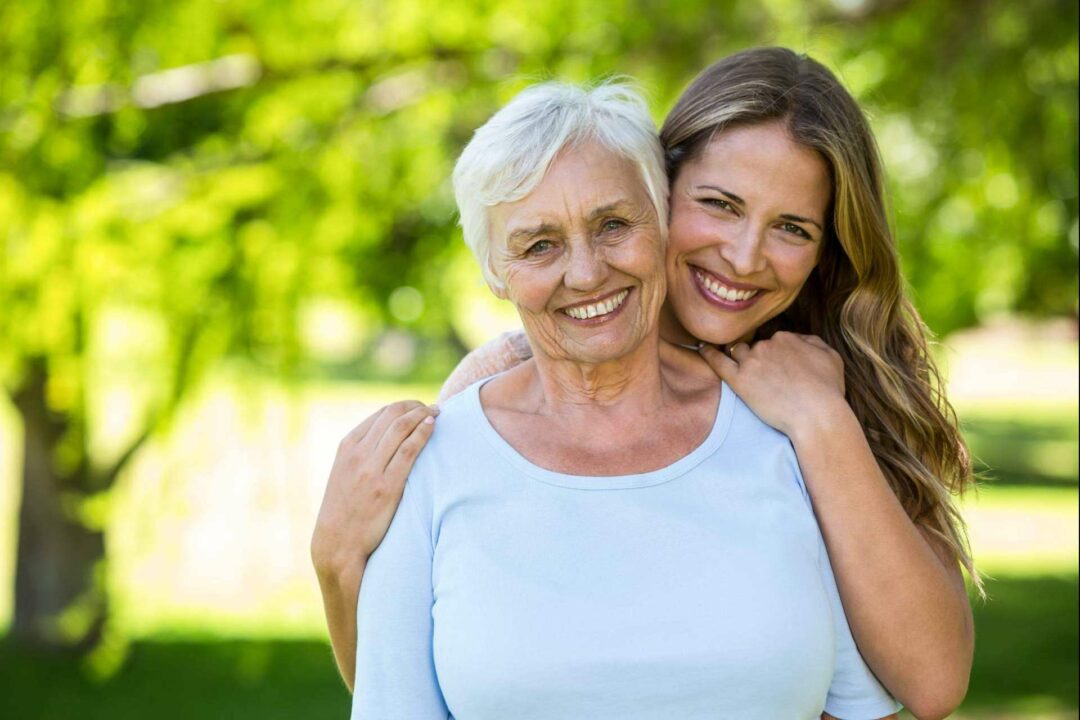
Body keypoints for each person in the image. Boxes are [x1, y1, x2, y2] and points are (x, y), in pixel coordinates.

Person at [312, 48, 975, 718]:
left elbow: (926, 681)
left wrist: (824, 423)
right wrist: (338, 565)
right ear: (664, 189)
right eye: (719, 204)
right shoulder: (480, 406)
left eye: (792, 228)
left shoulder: (811, 401)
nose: (744, 257)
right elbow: (415, 681)